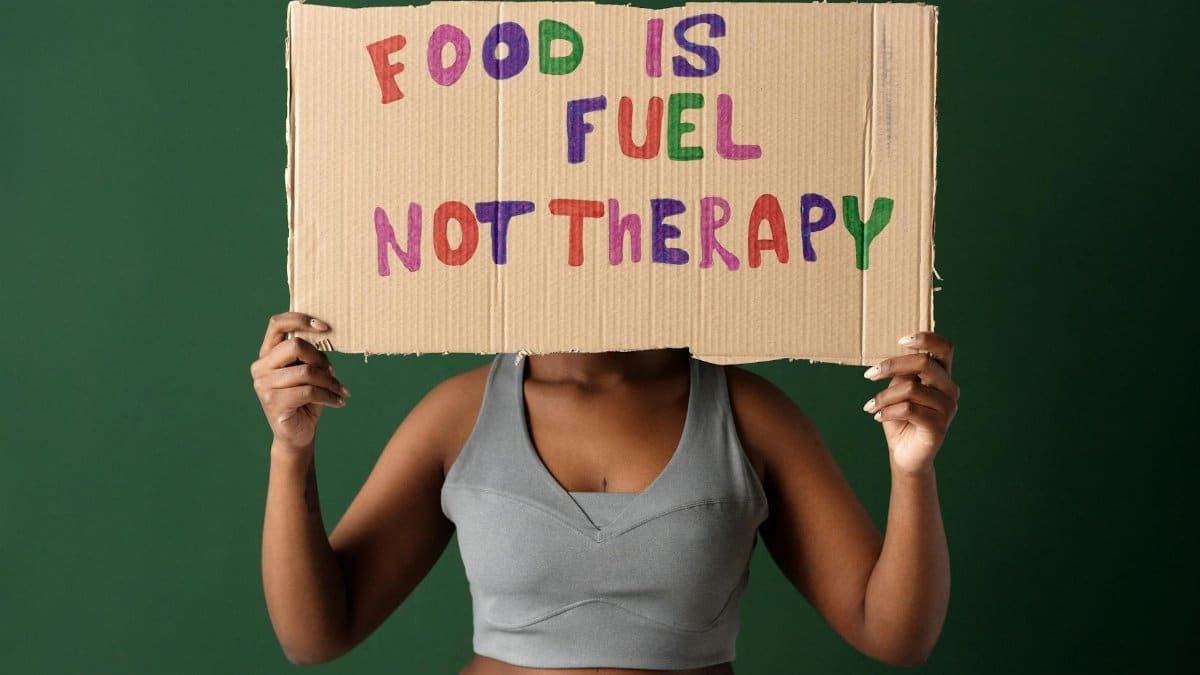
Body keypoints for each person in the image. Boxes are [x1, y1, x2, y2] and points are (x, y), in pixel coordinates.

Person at [253, 311, 958, 674]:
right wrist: (291, 450)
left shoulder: (750, 414)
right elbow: (316, 634)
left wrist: (912, 469)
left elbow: (894, 634)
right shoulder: (458, 414)